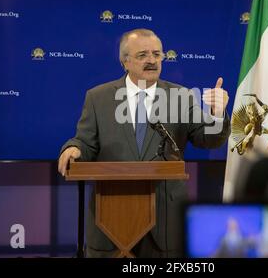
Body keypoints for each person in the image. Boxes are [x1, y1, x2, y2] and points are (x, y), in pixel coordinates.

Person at [58, 28, 230, 257]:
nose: (152, 61)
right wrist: (74, 148)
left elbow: (207, 140)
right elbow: (86, 142)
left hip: (164, 222)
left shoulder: (180, 96)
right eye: (143, 55)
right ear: (125, 62)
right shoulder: (98, 97)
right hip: (111, 217)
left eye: (157, 55)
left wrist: (217, 115)